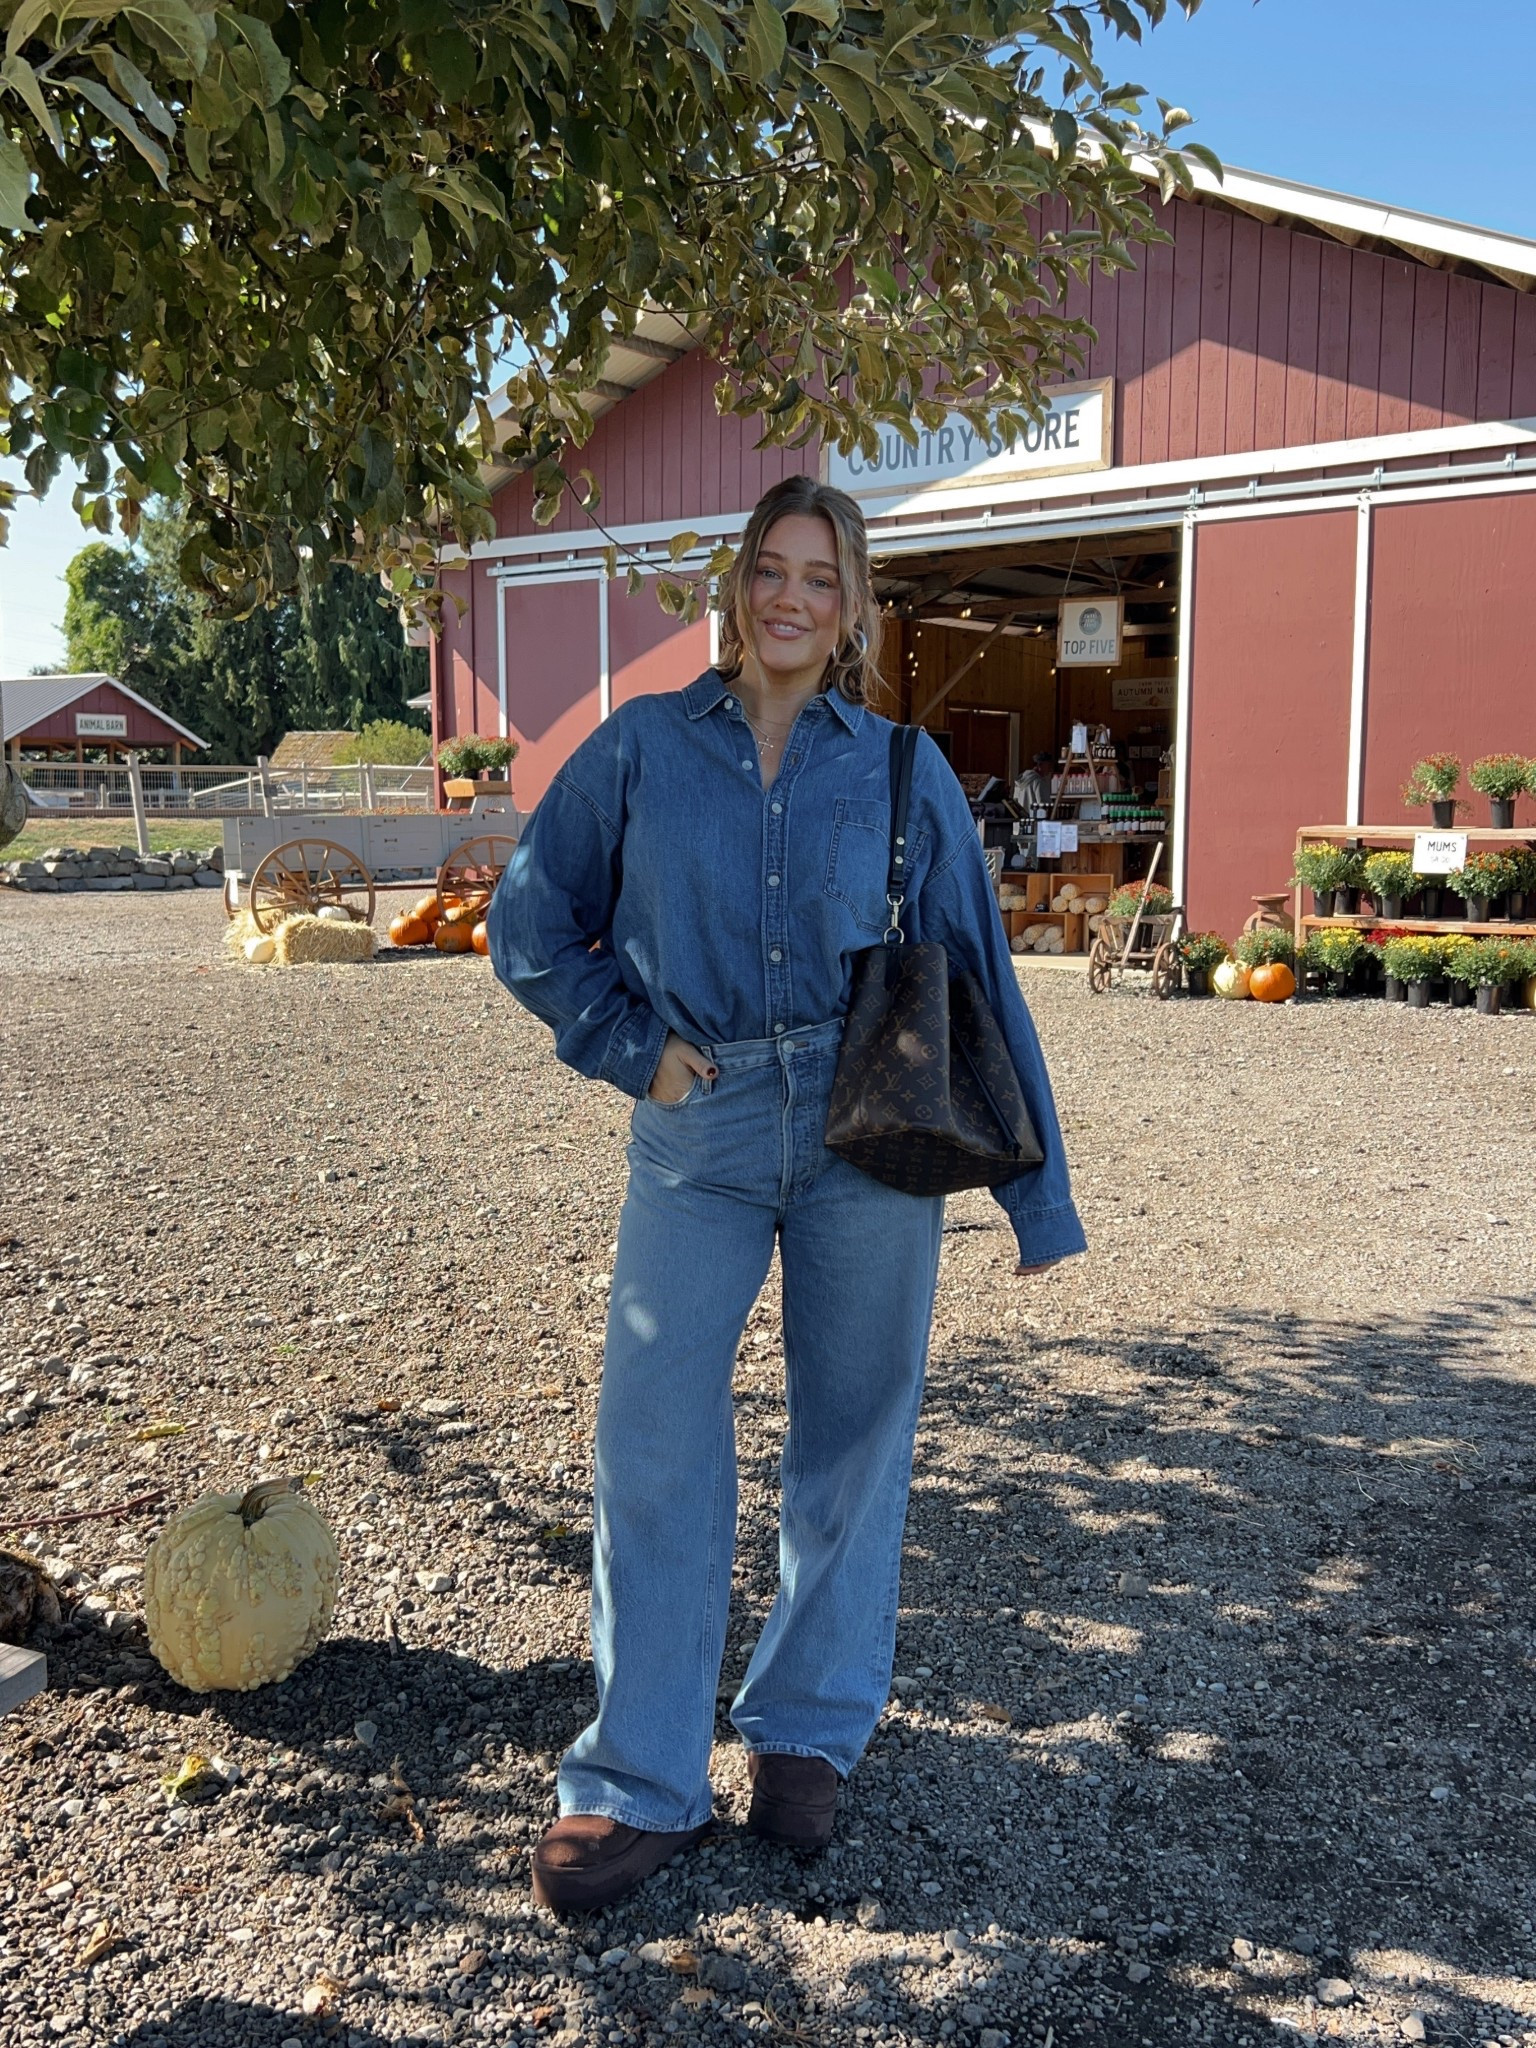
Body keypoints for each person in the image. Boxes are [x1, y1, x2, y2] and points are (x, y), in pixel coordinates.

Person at [488, 474, 1085, 1914]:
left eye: (822, 576)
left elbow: (983, 987)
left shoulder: (899, 769)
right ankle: (640, 1779)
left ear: (854, 606)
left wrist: (1036, 1196)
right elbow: (527, 916)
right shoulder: (639, 749)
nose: (792, 597)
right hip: (699, 1130)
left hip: (866, 1128)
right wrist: (640, 1052)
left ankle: (807, 1731)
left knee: (855, 1438)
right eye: (772, 567)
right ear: (736, 586)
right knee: (651, 1438)